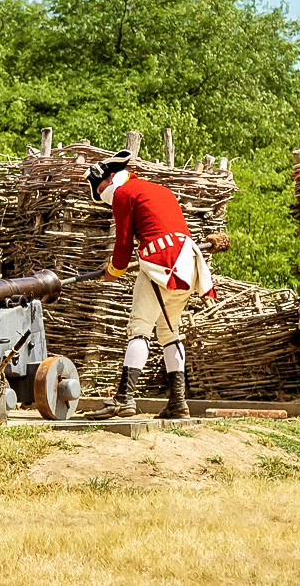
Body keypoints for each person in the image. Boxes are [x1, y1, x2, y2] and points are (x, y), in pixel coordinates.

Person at [83, 150, 215, 420]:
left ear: (111, 177)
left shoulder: (123, 193)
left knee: (140, 328)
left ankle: (124, 399)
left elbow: (123, 244)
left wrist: (114, 270)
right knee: (170, 332)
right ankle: (178, 403)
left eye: (100, 187)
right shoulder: (160, 190)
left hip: (162, 262)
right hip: (188, 263)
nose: (101, 194)